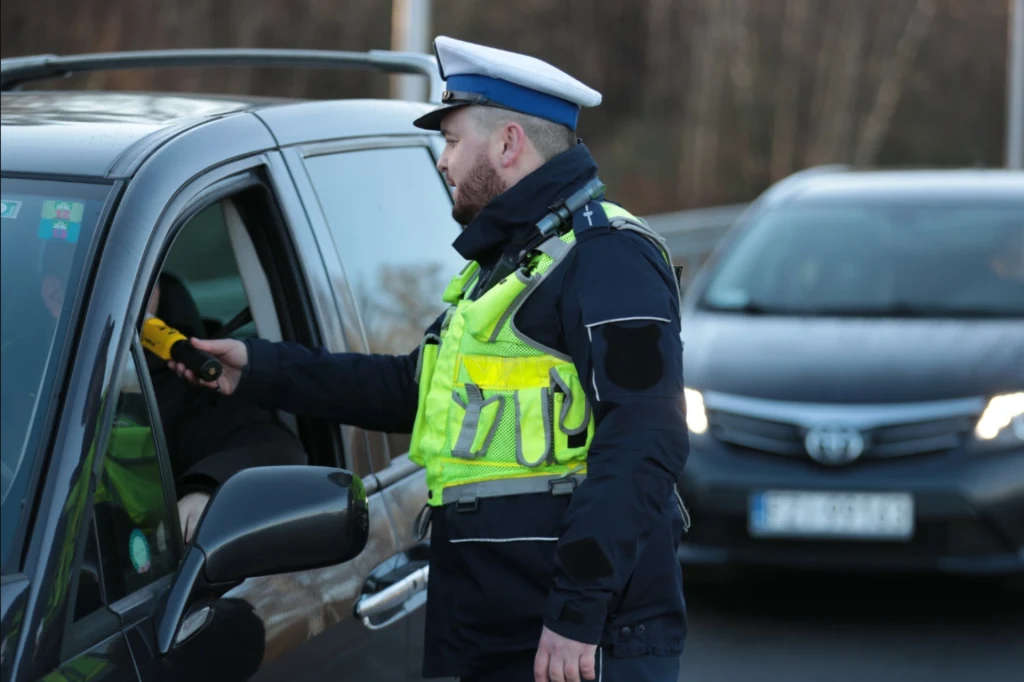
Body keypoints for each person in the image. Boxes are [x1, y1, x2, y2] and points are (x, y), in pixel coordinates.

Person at [171, 36, 690, 682]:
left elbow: (645, 439)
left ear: (507, 144)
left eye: (450, 140)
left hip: (575, 646)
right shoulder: (503, 271)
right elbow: (405, 389)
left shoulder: (608, 256)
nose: (441, 162)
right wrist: (259, 368)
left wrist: (577, 614)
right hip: (492, 631)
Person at [34, 241, 308, 543]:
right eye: (127, 283)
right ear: (55, 297)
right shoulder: (18, 383)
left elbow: (275, 448)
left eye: (152, 283)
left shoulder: (189, 380)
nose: (146, 298)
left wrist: (206, 491)